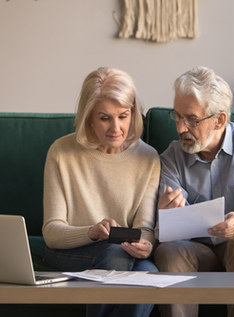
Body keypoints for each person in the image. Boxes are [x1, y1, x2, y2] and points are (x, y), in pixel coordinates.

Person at [154, 66, 234, 317]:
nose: (181, 128)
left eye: (192, 119)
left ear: (220, 120)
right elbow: (166, 230)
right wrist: (165, 214)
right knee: (169, 251)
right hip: (199, 250)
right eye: (177, 116)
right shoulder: (171, 157)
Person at [42, 67, 160, 317]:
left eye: (123, 116)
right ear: (89, 117)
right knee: (116, 255)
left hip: (125, 254)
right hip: (70, 251)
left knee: (148, 273)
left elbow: (146, 229)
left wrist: (145, 246)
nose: (116, 128)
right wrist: (92, 232)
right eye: (105, 117)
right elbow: (52, 232)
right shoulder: (61, 152)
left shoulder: (149, 158)